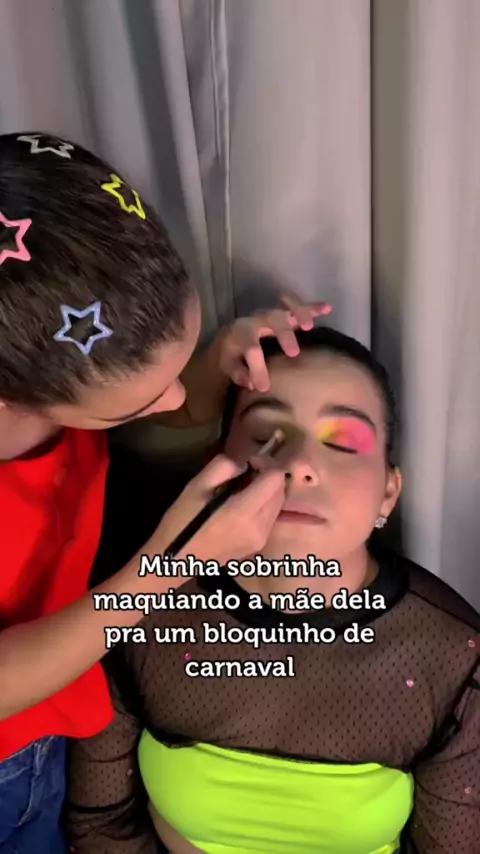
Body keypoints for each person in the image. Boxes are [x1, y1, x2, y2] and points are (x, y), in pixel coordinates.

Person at [0, 130, 328, 853]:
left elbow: (157, 409)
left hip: (48, 735)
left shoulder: (53, 384)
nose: (177, 399)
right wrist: (169, 567)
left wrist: (218, 366)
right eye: (134, 404)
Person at [66, 326, 480, 854]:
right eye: (265, 435)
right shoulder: (139, 609)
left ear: (388, 493)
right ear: (216, 468)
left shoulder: (453, 656)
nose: (300, 465)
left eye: (342, 442)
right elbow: (99, 826)